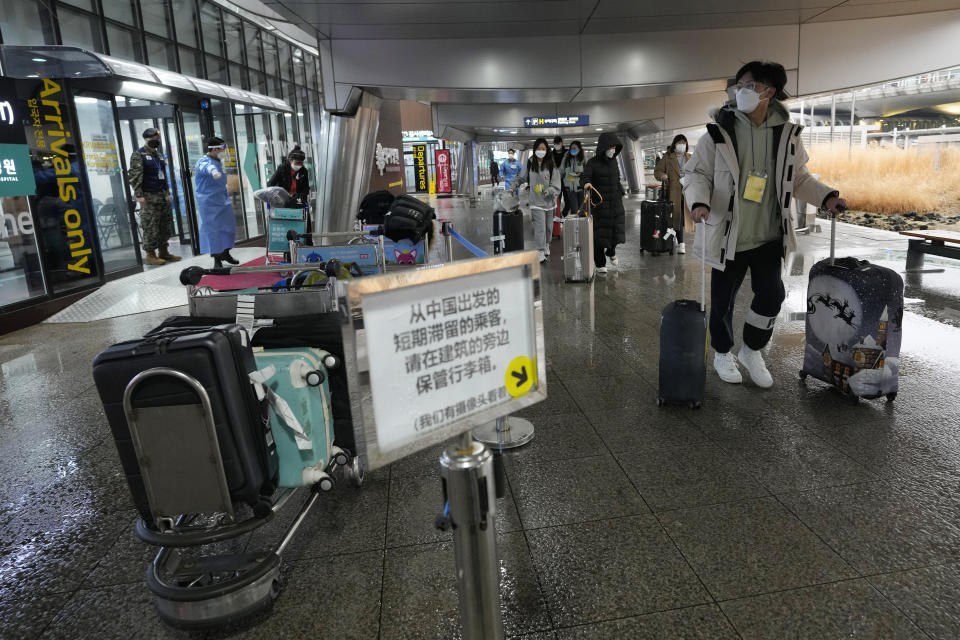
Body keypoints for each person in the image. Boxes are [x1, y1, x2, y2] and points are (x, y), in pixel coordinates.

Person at [684, 60, 846, 389]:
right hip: (730, 234)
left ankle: (752, 349)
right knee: (723, 300)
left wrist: (826, 196)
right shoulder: (718, 131)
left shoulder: (787, 135)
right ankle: (722, 352)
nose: (741, 91)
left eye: (749, 86)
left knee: (772, 295)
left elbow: (799, 179)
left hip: (769, 234)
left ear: (769, 91)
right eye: (739, 85)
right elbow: (696, 173)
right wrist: (699, 202)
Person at [128, 128, 180, 265]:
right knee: (150, 226)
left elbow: (163, 177)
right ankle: (150, 254)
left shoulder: (159, 155)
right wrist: (139, 195)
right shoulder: (138, 155)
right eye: (153, 138)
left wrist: (167, 193)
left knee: (165, 225)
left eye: (158, 138)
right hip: (149, 197)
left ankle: (164, 251)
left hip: (162, 196)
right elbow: (134, 177)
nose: (156, 140)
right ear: (146, 139)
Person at [509, 137, 560, 263]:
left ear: (547, 150)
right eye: (538, 148)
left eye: (543, 149)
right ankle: (540, 251)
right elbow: (522, 177)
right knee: (540, 227)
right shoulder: (530, 162)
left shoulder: (551, 164)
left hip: (549, 202)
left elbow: (556, 183)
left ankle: (547, 244)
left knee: (549, 228)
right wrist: (514, 184)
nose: (541, 151)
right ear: (535, 149)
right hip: (535, 202)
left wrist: (550, 190)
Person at [582, 132, 625, 274]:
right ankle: (600, 263)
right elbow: (585, 176)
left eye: (615, 147)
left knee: (615, 231)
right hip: (599, 205)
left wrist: (620, 191)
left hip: (615, 203)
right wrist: (587, 183)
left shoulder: (614, 163)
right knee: (599, 236)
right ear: (603, 147)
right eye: (611, 147)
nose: (613, 150)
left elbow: (617, 180)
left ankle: (611, 251)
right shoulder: (592, 162)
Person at [194, 136, 239, 269]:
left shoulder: (219, 161)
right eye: (222, 148)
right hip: (208, 202)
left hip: (222, 200)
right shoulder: (203, 161)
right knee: (214, 231)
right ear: (214, 149)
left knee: (228, 228)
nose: (224, 151)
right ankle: (217, 260)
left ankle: (226, 253)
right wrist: (213, 171)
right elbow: (205, 167)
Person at [654, 134, 692, 254]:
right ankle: (681, 243)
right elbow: (657, 171)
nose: (682, 145)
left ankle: (673, 237)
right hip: (672, 193)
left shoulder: (690, 157)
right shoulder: (668, 157)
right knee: (677, 218)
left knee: (684, 219)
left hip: (687, 193)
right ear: (675, 144)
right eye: (680, 142)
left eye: (684, 142)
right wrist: (663, 176)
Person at [559, 140, 585, 218]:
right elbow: (561, 171)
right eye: (571, 148)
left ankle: (582, 227)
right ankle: (574, 228)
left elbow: (587, 171)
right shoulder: (566, 159)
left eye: (575, 148)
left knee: (581, 210)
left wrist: (581, 174)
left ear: (579, 149)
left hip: (580, 188)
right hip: (570, 189)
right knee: (574, 210)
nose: (573, 149)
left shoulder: (582, 158)